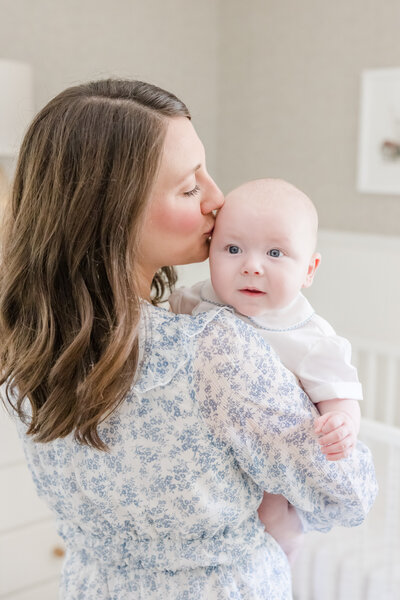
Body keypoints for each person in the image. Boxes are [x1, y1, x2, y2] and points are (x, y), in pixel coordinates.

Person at [0, 79, 377, 600]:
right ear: (114, 212)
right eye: (189, 187)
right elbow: (348, 495)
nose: (217, 199)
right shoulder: (212, 348)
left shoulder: (27, 339)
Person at [169, 178, 363, 559]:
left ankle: (282, 554)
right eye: (233, 248)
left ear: (309, 269)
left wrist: (342, 423)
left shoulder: (310, 337)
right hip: (204, 458)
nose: (252, 266)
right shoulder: (195, 300)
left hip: (266, 466)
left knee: (271, 516)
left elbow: (340, 395)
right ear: (211, 252)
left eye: (275, 253)